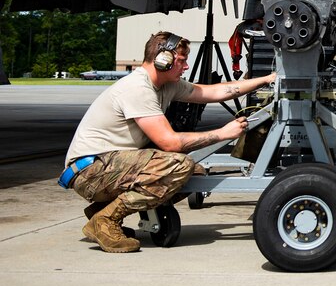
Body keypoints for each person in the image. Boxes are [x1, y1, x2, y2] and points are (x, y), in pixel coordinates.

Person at [60, 31, 277, 253]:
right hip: (90, 171)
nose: (185, 66)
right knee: (178, 166)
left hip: (110, 164)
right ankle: (106, 219)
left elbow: (214, 92)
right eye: (181, 61)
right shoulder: (137, 88)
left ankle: (102, 210)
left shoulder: (167, 85)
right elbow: (170, 143)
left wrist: (267, 79)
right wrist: (223, 133)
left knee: (195, 173)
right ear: (163, 60)